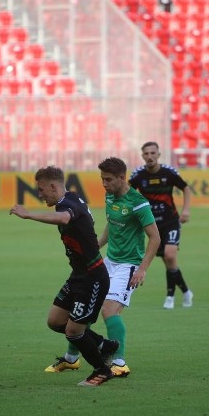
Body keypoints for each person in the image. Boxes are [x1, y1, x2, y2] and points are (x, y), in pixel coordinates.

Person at [45, 157, 160, 378]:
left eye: (108, 179)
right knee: (82, 309)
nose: (104, 184)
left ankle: (119, 362)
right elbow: (111, 223)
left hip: (128, 266)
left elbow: (155, 238)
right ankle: (71, 359)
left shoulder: (138, 203)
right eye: (102, 179)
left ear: (121, 178)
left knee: (109, 310)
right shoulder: (110, 196)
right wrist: (95, 247)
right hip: (106, 262)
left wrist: (142, 269)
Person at [10, 166, 119, 387]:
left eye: (41, 190)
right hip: (78, 275)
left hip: (93, 277)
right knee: (56, 321)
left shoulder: (68, 206)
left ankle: (102, 370)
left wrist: (29, 214)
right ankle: (101, 345)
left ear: (53, 186)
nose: (40, 194)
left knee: (73, 331)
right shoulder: (72, 198)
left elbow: (64, 218)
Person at [129, 141, 194, 310]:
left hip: (171, 221)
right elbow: (127, 194)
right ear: (142, 156)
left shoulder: (169, 173)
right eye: (146, 154)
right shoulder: (138, 176)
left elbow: (186, 188)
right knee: (169, 262)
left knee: (170, 255)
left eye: (153, 153)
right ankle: (186, 291)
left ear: (158, 154)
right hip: (152, 226)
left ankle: (170, 297)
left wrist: (186, 210)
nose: (150, 156)